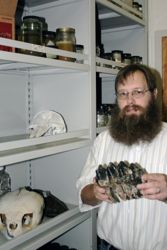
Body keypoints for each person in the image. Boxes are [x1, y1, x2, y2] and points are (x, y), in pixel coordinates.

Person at [76, 64, 167, 250]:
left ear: (154, 94)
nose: (130, 100)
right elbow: (83, 194)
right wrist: (94, 191)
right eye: (123, 94)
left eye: (138, 92)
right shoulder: (103, 140)